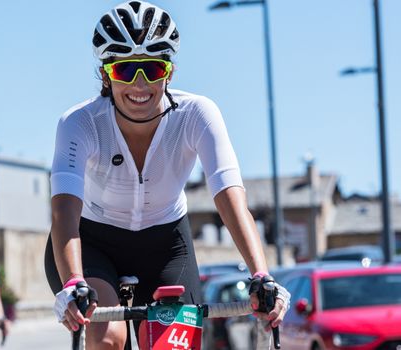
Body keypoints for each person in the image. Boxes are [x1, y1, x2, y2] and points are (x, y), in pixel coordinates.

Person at [44, 1, 291, 349]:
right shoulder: (79, 122)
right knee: (108, 337)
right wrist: (72, 283)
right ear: (105, 75)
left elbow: (229, 195)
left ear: (169, 73)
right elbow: (64, 209)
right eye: (126, 71)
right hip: (92, 242)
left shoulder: (197, 114)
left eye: (152, 69)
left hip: (165, 244)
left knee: (170, 345)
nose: (140, 84)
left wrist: (261, 274)